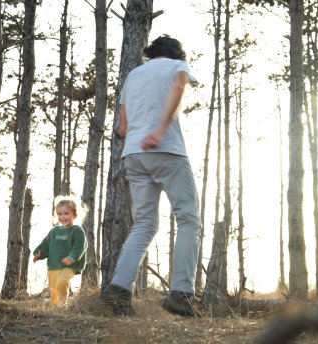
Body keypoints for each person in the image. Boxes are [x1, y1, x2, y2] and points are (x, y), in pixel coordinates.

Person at [101, 35, 202, 317]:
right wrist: (158, 131)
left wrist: (140, 134)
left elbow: (122, 127)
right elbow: (179, 87)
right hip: (166, 149)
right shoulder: (178, 66)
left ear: (151, 54)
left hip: (133, 153)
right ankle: (182, 294)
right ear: (176, 54)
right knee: (189, 218)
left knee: (144, 223)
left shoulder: (133, 75)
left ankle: (120, 289)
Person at [33, 196, 87, 307]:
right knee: (53, 289)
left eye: (66, 213)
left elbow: (80, 246)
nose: (62, 217)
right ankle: (56, 309)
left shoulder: (77, 230)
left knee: (62, 282)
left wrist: (72, 257)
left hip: (70, 265)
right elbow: (46, 245)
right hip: (53, 264)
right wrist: (39, 254)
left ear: (75, 215)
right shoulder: (54, 231)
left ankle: (63, 305)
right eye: (59, 214)